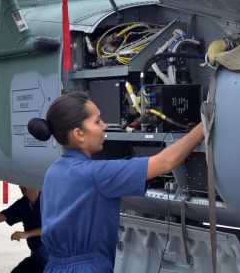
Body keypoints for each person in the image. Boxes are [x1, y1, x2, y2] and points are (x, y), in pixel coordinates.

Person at [28, 91, 204, 272]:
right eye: (97, 121)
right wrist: (204, 125)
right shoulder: (95, 174)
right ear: (79, 134)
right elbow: (164, 163)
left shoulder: (53, 172)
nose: (104, 126)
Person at [0, 186, 48, 272]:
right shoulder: (23, 203)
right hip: (36, 255)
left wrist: (27, 234)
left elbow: (54, 227)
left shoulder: (50, 201)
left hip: (53, 255)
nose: (20, 186)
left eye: (24, 183)